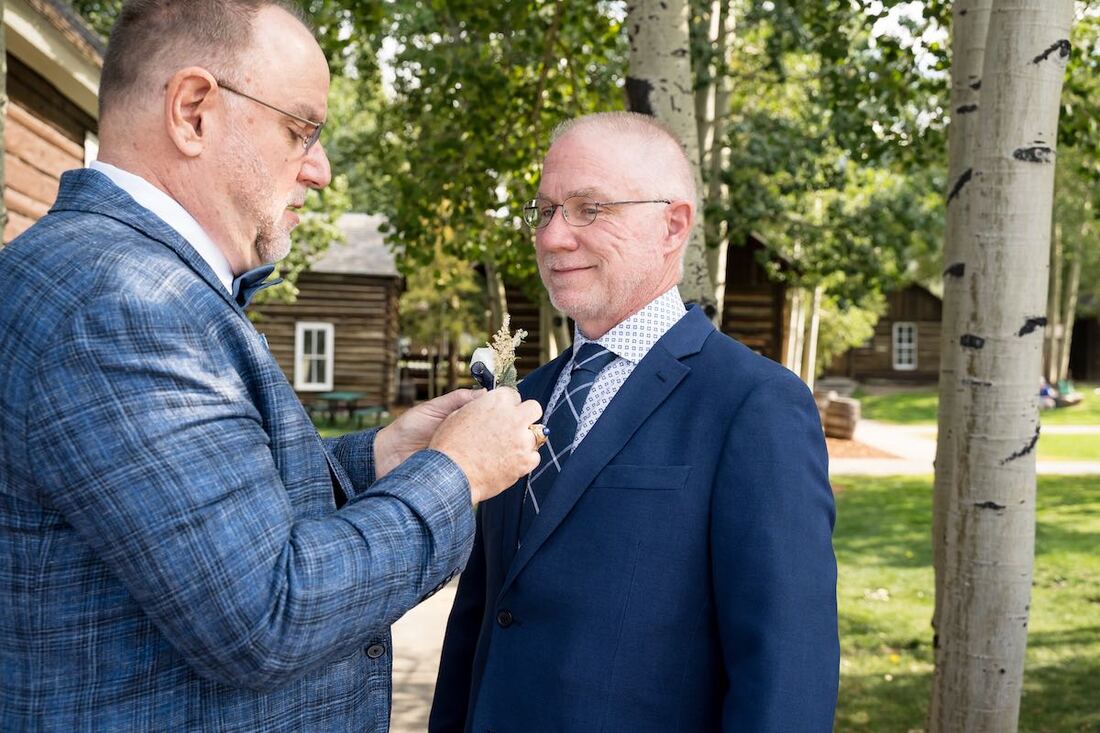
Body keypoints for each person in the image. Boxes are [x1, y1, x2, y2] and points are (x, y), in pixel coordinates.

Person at [0, 1, 543, 730]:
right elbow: (268, 614)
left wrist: (382, 457)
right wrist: (456, 474)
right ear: (193, 111)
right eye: (301, 131)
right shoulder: (125, 305)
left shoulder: (120, 279)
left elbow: (206, 512)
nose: (318, 169)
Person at [430, 112, 839, 732]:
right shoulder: (521, 399)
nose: (551, 237)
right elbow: (485, 613)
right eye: (543, 211)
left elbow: (786, 669)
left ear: (672, 225)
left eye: (589, 209)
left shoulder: (754, 405)